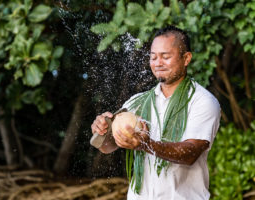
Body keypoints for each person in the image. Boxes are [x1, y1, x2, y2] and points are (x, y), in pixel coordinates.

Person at [91, 25, 221, 200]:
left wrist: (147, 144)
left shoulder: (203, 101)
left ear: (186, 58)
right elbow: (107, 147)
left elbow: (190, 153)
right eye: (153, 57)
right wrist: (102, 129)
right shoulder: (137, 102)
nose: (158, 63)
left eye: (165, 57)